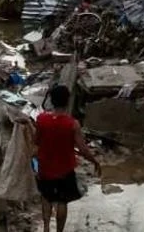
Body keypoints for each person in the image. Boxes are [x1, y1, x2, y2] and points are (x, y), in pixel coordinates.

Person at [34, 84, 100, 232]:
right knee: (62, 201)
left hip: (45, 167)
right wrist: (94, 161)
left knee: (46, 197)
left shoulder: (41, 119)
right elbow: (82, 149)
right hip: (65, 169)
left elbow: (36, 142)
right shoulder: (72, 124)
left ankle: (45, 228)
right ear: (67, 101)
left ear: (51, 100)